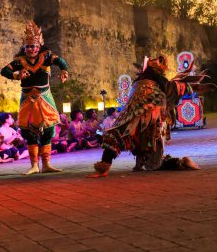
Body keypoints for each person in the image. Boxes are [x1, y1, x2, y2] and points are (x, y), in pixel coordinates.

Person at [88, 54, 216, 177]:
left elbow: (180, 87)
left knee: (150, 155)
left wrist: (197, 87)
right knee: (118, 135)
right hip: (134, 116)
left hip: (152, 121)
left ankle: (177, 162)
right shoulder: (140, 84)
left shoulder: (158, 85)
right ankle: (106, 166)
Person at [0, 20, 69, 175]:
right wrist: (16, 75)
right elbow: (4, 71)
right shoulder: (20, 61)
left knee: (48, 130)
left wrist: (64, 70)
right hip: (27, 99)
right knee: (28, 131)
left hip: (44, 98)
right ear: (24, 47)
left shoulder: (46, 56)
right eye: (28, 46)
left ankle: (46, 164)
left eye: (34, 46)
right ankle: (34, 165)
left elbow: (60, 61)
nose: (31, 49)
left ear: (39, 46)